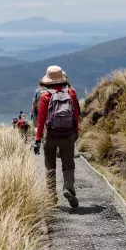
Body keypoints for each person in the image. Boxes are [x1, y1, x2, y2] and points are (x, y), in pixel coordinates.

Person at [33, 65, 81, 207]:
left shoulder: (45, 96)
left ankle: (52, 198)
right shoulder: (71, 92)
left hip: (50, 136)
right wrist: (76, 131)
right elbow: (76, 115)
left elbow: (41, 120)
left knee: (50, 167)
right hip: (67, 135)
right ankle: (68, 189)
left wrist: (37, 140)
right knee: (68, 165)